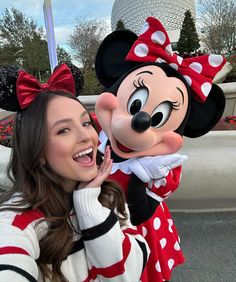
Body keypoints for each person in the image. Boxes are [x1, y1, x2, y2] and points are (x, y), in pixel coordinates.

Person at [94, 16, 226, 282]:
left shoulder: (159, 168)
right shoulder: (94, 137)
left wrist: (138, 187)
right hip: (94, 221)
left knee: (143, 270)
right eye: (134, 106)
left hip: (143, 227)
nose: (139, 121)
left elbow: (144, 209)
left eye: (156, 119)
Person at [0, 64, 150, 282]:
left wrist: (88, 203)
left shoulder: (107, 196)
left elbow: (127, 275)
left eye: (86, 122)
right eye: (63, 130)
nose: (86, 136)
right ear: (38, 151)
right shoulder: (17, 222)